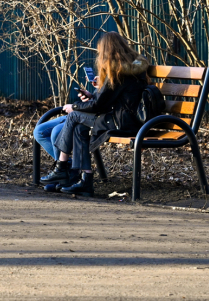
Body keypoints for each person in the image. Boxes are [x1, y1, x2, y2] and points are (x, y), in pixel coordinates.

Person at [38, 32, 150, 196]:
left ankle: (62, 167)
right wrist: (94, 94)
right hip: (126, 119)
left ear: (106, 51)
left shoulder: (118, 72)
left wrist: (75, 106)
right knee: (79, 128)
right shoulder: (131, 67)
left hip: (122, 123)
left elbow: (99, 105)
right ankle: (85, 181)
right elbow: (109, 99)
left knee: (74, 116)